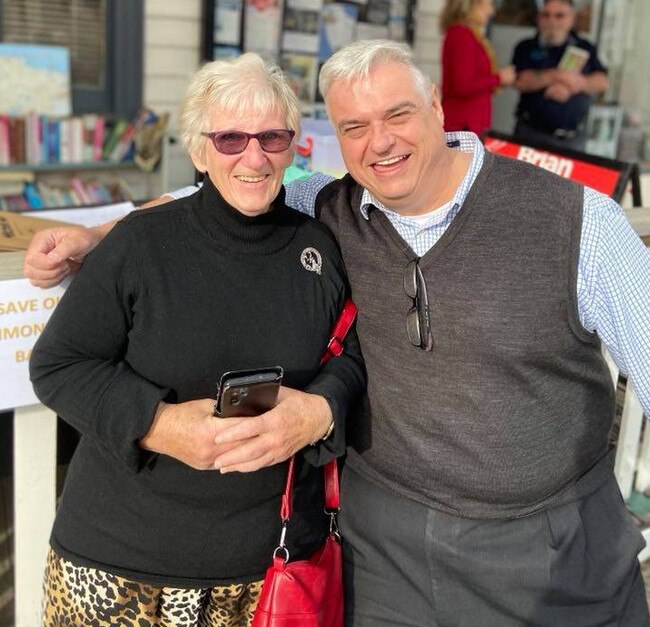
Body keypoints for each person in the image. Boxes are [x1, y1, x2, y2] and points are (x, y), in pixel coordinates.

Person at [25, 41, 650, 626]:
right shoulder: (330, 207)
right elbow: (201, 202)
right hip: (380, 554)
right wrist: (95, 238)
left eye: (398, 114)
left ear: (436, 105)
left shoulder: (576, 220)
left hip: (544, 549)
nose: (380, 142)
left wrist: (321, 409)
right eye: (354, 127)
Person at [28, 53, 365, 627]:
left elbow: (353, 355)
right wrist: (159, 425)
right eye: (230, 138)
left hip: (266, 575)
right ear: (198, 149)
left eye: (272, 137)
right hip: (118, 568)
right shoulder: (142, 245)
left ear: (293, 145)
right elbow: (59, 364)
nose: (253, 157)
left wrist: (320, 410)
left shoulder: (320, 245)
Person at [512, 0, 609, 151]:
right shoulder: (526, 46)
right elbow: (521, 81)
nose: (552, 21)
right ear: (539, 18)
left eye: (559, 16)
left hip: (572, 139)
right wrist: (557, 75)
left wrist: (574, 84)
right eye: (546, 15)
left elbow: (602, 82)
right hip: (531, 135)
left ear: (572, 19)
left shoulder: (585, 47)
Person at [439, 0, 515, 136]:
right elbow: (463, 85)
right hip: (463, 124)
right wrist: (499, 78)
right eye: (487, 3)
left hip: (470, 123)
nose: (491, 11)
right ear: (471, 4)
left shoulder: (466, 34)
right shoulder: (461, 35)